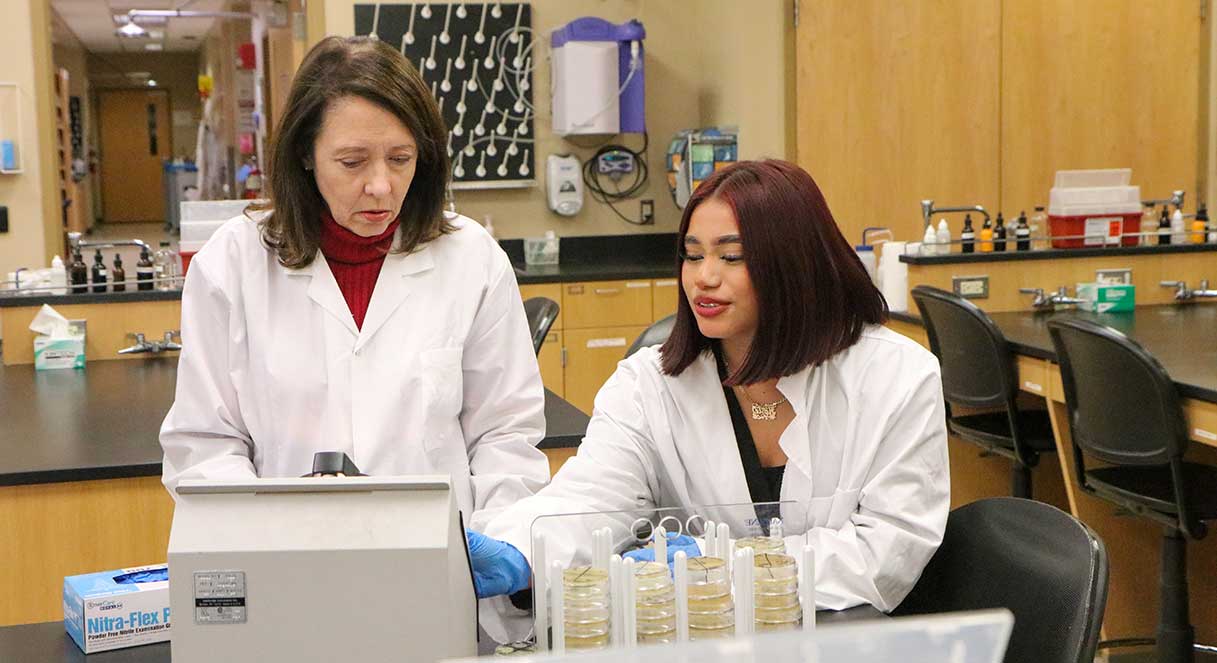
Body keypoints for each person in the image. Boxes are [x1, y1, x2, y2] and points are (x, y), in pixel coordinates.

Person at [469, 159, 950, 641]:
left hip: (844, 639)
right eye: (692, 255)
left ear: (794, 262)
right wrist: (522, 550)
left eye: (732, 256)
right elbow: (593, 496)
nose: (704, 278)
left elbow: (888, 550)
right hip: (703, 643)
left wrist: (719, 566)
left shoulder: (898, 378)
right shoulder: (648, 386)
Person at [160, 36, 549, 586]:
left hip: (442, 572)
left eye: (400, 158)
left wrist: (504, 542)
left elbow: (504, 434)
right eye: (352, 161)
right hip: (286, 575)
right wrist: (260, 543)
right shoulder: (232, 264)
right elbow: (206, 442)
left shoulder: (471, 259)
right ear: (304, 154)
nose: (380, 186)